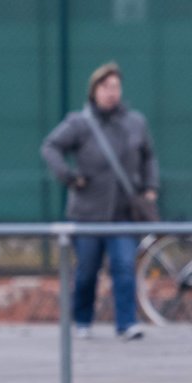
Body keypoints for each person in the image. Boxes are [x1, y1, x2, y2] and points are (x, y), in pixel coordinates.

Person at [41, 62, 160, 340]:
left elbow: (149, 156)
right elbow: (51, 147)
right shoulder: (79, 123)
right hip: (87, 214)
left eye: (116, 87)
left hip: (123, 213)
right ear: (94, 91)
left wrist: (150, 186)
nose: (111, 92)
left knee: (124, 267)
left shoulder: (135, 122)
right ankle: (82, 321)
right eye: (105, 87)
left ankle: (127, 324)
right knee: (86, 273)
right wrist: (69, 177)